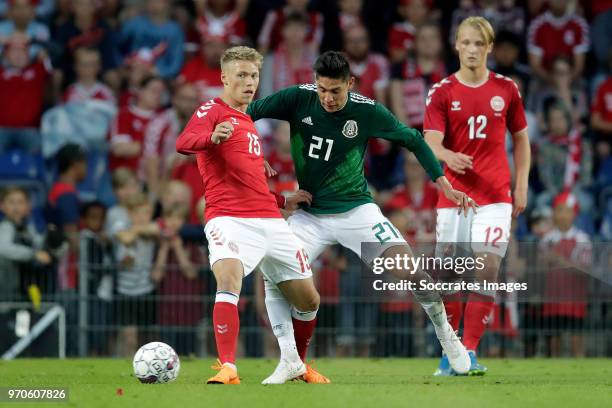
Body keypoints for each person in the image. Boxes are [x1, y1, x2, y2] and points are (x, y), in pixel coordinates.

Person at [247, 50, 476, 381]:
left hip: (357, 212)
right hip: (311, 216)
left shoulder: (366, 111)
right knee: (272, 270)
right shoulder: (298, 98)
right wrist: (253, 156)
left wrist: (443, 184)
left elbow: (413, 139)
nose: (327, 97)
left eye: (335, 91)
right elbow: (247, 113)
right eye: (322, 89)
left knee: (409, 272)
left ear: (349, 84)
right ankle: (289, 360)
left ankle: (446, 335)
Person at [175, 46, 324, 385]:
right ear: (224, 78)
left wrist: (283, 199)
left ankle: (296, 364)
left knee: (309, 299)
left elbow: (251, 183)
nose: (249, 82)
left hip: (270, 220)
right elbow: (184, 141)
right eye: (241, 75)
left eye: (254, 75)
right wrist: (210, 137)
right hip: (229, 217)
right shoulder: (212, 110)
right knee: (229, 280)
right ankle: (228, 366)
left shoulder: (248, 123)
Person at [423, 16, 531, 376]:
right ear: (456, 45)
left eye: (478, 44)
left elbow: (521, 138)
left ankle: (468, 352)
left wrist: (521, 184)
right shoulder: (442, 91)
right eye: (465, 43)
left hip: (495, 195)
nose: (471, 50)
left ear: (489, 47)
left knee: (486, 269)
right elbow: (430, 139)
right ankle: (450, 352)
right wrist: (447, 155)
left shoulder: (507, 89)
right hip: (454, 194)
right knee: (450, 274)